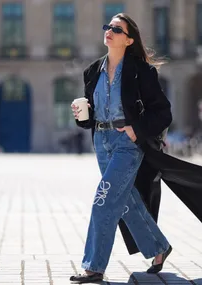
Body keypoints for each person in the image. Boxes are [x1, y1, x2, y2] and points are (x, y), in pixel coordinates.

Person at [70, 13, 173, 283]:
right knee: (127, 201)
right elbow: (90, 119)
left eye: (117, 29)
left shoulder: (141, 71)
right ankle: (159, 248)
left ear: (128, 40)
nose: (109, 32)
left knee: (103, 199)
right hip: (101, 142)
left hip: (128, 143)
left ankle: (93, 267)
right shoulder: (93, 71)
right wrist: (82, 115)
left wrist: (135, 129)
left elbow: (163, 112)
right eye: (108, 27)